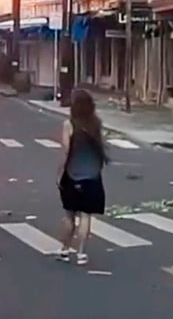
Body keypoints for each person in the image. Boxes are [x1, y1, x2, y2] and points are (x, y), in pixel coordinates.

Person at [55, 89, 108, 266]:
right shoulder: (96, 124)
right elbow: (100, 148)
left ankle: (64, 250)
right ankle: (81, 253)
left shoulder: (69, 125)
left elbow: (66, 151)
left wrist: (59, 173)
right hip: (92, 176)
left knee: (69, 216)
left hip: (72, 174)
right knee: (86, 217)